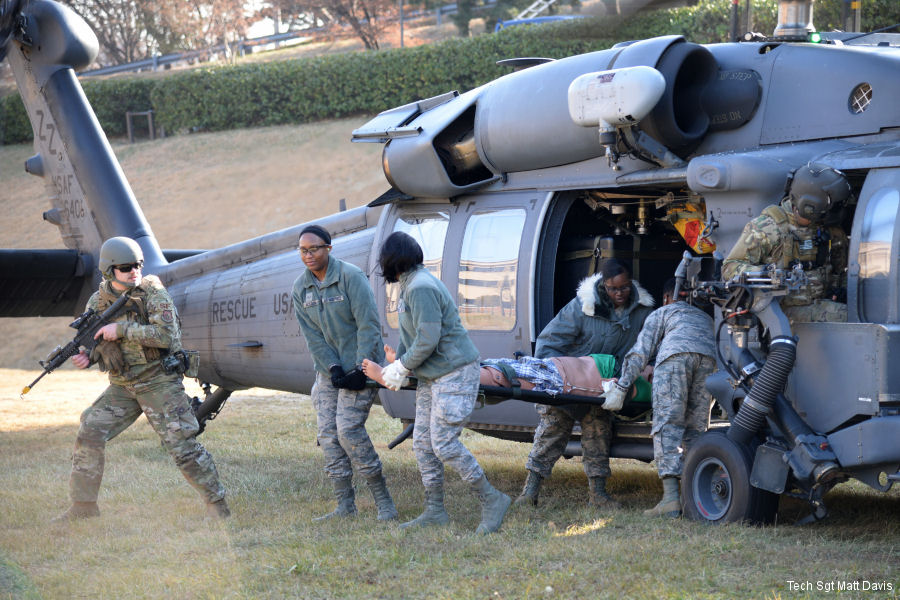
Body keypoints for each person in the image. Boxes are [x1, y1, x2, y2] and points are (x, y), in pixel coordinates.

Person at [54, 236, 229, 521]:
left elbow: (166, 336)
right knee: (90, 430)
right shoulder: (97, 301)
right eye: (126, 267)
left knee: (181, 443)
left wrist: (121, 330)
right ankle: (83, 507)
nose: (134, 271)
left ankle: (217, 505)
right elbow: (96, 344)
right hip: (123, 386)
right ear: (111, 271)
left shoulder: (153, 293)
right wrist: (88, 358)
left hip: (158, 381)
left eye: (138, 265)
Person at [361, 231, 510, 535]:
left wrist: (396, 369)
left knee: (443, 443)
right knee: (423, 443)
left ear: (391, 260)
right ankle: (435, 510)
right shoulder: (411, 286)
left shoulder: (420, 288)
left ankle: (492, 499)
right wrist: (398, 362)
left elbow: (428, 339)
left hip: (453, 372)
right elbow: (411, 337)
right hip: (434, 375)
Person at [516, 258, 655, 508]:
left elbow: (648, 347)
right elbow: (550, 341)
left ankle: (598, 495)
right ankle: (529, 492)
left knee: (599, 435)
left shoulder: (642, 312)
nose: (619, 293)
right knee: (551, 432)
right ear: (603, 285)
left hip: (604, 387)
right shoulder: (582, 307)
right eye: (613, 288)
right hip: (570, 382)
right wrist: (554, 379)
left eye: (624, 287)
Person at [292, 224, 398, 522]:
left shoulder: (351, 277)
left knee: (348, 430)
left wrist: (358, 368)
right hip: (329, 371)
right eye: (303, 250)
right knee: (328, 435)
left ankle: (384, 502)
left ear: (328, 248)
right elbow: (312, 336)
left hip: (363, 367)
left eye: (314, 249)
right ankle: (345, 506)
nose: (309, 255)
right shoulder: (301, 288)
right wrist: (334, 367)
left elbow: (368, 324)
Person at [603, 279, 716, 518]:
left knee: (667, 425)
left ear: (667, 297)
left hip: (674, 359)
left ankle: (671, 500)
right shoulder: (707, 319)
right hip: (709, 361)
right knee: (696, 429)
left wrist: (622, 387)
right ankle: (692, 496)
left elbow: (640, 352)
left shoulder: (664, 312)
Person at [722, 162, 851, 324]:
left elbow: (842, 270)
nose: (838, 213)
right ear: (810, 207)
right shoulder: (768, 228)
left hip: (822, 302)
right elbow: (730, 267)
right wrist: (769, 274)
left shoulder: (830, 231)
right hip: (783, 311)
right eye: (833, 207)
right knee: (847, 316)